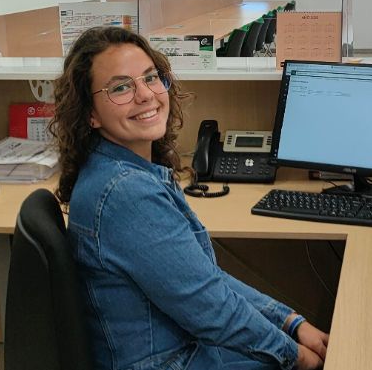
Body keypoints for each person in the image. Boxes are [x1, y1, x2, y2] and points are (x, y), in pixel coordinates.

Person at [50, 26, 329, 370]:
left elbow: (204, 282)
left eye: (151, 78)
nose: (145, 95)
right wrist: (296, 357)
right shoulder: (127, 193)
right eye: (121, 87)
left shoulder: (119, 168)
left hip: (181, 347)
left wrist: (291, 323)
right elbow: (211, 308)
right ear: (90, 113)